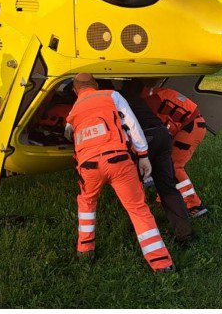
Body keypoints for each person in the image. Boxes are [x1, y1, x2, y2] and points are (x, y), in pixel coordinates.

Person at [65, 73, 175, 273]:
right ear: (96, 85)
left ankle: (85, 250)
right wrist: (142, 154)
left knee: (87, 204)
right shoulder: (111, 96)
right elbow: (132, 124)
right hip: (118, 161)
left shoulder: (72, 112)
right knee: (138, 209)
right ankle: (161, 263)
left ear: (74, 91)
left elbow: (69, 133)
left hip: (88, 167)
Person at [119, 79, 195, 243]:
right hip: (162, 135)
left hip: (144, 137)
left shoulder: (109, 99)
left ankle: (142, 232)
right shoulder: (135, 99)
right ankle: (185, 234)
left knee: (135, 190)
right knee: (168, 187)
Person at [142, 84, 209, 218]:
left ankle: (194, 205)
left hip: (190, 127)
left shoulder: (148, 101)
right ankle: (162, 197)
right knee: (165, 162)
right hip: (190, 124)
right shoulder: (150, 93)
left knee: (174, 166)